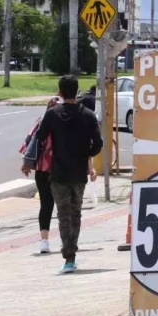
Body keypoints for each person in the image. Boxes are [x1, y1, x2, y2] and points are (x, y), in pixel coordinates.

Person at [35, 75, 103, 273]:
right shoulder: (88, 115)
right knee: (76, 213)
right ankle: (71, 252)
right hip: (79, 171)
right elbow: (98, 144)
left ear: (60, 92)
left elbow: (40, 138)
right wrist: (86, 154)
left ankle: (69, 256)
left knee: (63, 214)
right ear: (77, 91)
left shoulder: (52, 114)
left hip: (58, 172)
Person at [20, 96, 59, 254]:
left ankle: (44, 241)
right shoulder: (64, 123)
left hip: (42, 169)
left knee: (46, 204)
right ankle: (68, 240)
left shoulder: (40, 122)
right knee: (65, 205)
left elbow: (28, 141)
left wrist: (26, 163)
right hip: (60, 170)